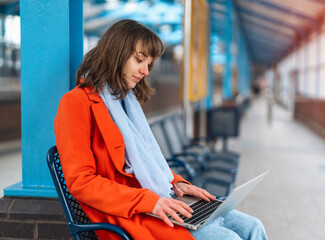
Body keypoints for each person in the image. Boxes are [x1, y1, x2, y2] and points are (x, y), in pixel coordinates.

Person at [55, 19, 268, 240]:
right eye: (139, 60)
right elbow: (81, 182)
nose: (145, 71)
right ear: (115, 53)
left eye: (149, 63)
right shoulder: (76, 103)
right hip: (129, 215)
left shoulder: (125, 102)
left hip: (161, 201)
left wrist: (177, 183)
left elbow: (145, 164)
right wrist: (150, 201)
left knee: (253, 226)